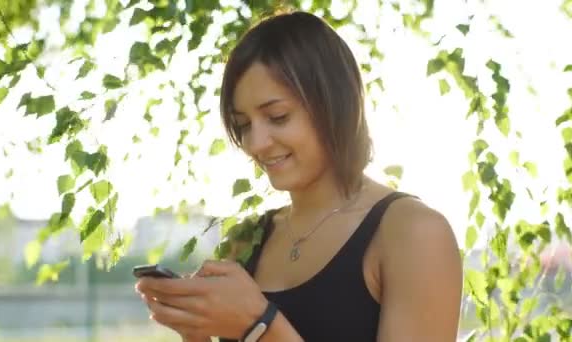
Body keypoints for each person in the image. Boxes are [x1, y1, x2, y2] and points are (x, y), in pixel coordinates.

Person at [135, 10, 463, 342]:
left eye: (277, 117)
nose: (255, 144)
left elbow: (258, 329)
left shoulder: (413, 233)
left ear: (334, 104)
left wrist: (260, 325)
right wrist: (196, 330)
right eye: (243, 124)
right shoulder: (246, 241)